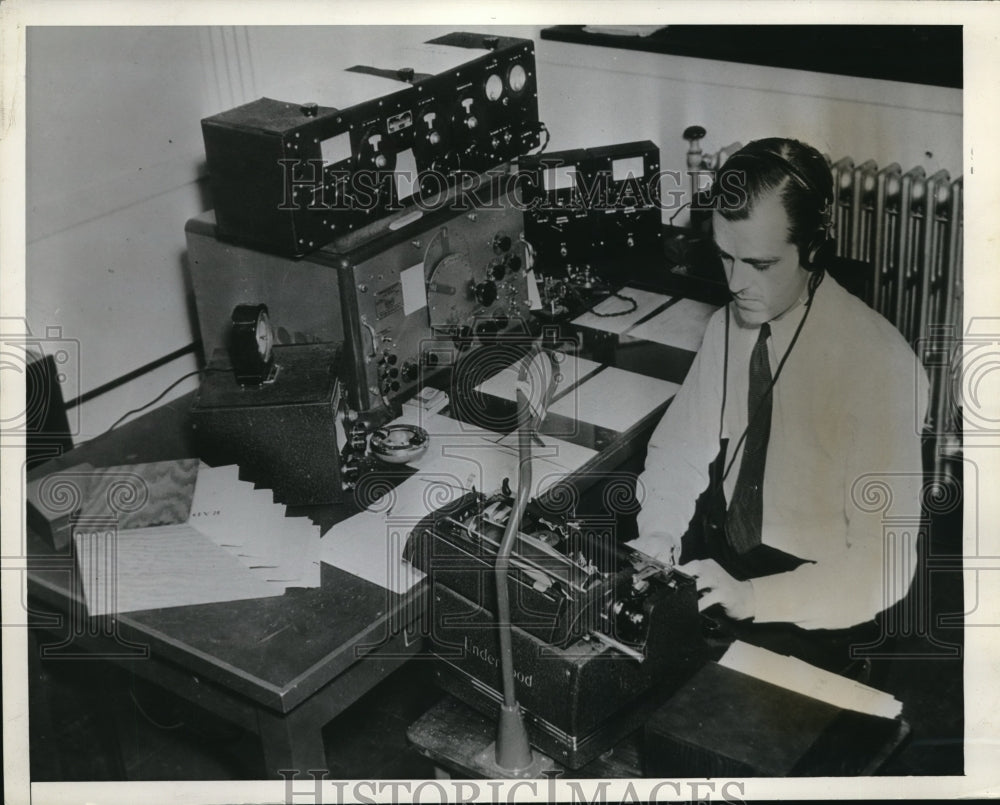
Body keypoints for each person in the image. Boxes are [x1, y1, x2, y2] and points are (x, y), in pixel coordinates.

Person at [628, 137, 929, 670]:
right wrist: (657, 535)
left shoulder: (880, 366)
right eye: (725, 256)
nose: (736, 283)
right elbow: (680, 451)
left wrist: (756, 598)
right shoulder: (729, 325)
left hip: (819, 604)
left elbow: (885, 567)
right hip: (724, 569)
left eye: (760, 263)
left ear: (812, 249)